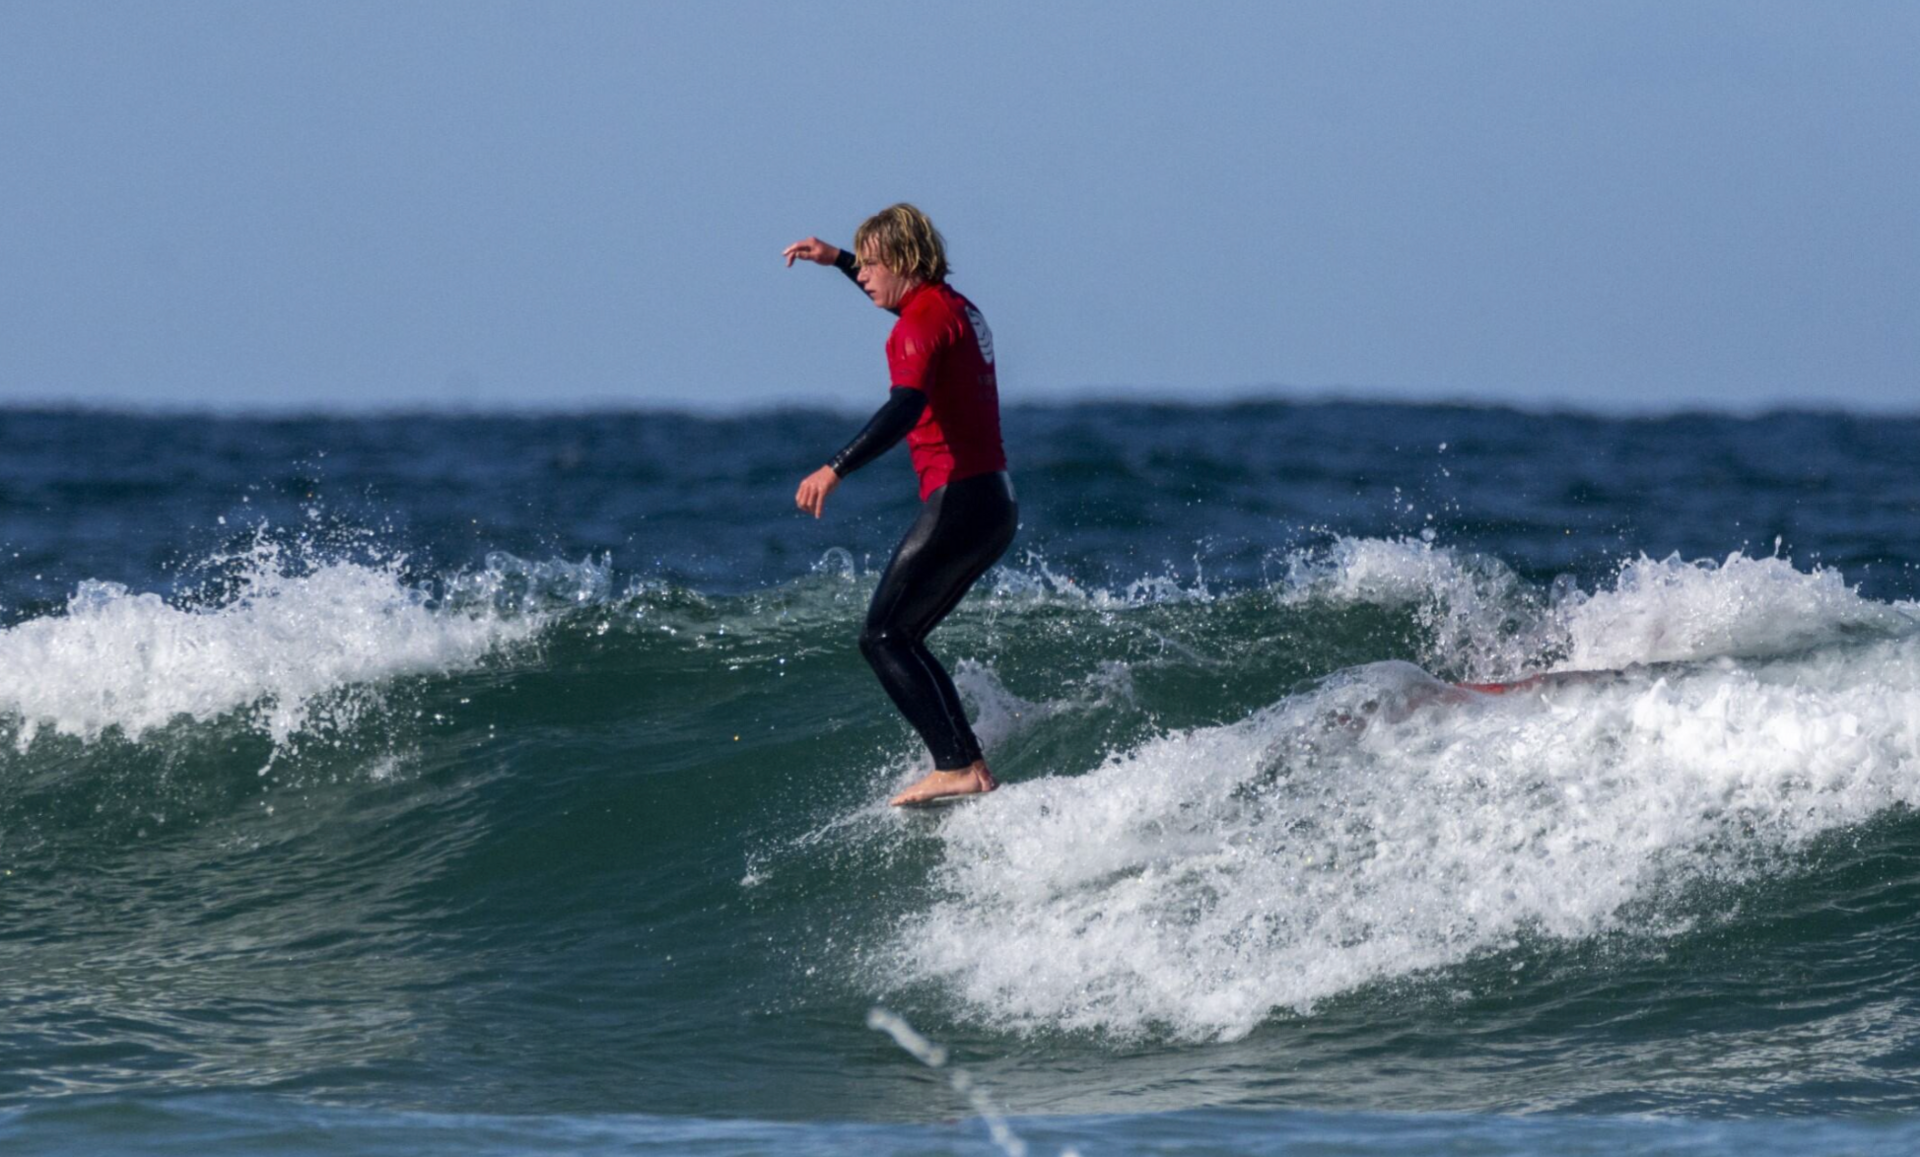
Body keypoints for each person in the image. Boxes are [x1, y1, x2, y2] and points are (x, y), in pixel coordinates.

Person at [783, 204, 1017, 806]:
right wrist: (835, 257)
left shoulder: (913, 328)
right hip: (994, 500)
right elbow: (883, 280)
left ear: (904, 261)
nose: (863, 275)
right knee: (902, 633)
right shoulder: (952, 307)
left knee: (883, 635)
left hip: (960, 498)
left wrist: (834, 467)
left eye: (871, 263)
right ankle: (968, 767)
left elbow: (905, 407)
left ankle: (959, 765)